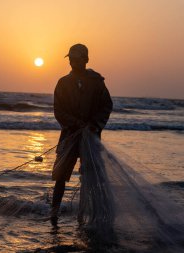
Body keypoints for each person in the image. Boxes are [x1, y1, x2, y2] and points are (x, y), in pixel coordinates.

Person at [51, 43, 113, 225]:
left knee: (90, 177)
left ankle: (87, 216)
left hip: (91, 137)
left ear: (85, 60)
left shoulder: (96, 82)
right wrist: (75, 123)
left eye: (75, 58)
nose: (71, 62)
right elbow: (58, 111)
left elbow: (106, 106)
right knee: (60, 177)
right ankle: (54, 214)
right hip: (69, 136)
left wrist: (93, 125)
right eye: (70, 58)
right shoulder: (63, 83)